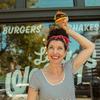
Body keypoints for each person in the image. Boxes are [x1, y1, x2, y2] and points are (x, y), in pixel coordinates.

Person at [27, 11, 95, 100]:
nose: (55, 52)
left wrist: (68, 30)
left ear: (65, 52)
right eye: (51, 47)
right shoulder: (37, 76)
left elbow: (90, 46)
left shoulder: (70, 68)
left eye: (59, 48)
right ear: (46, 50)